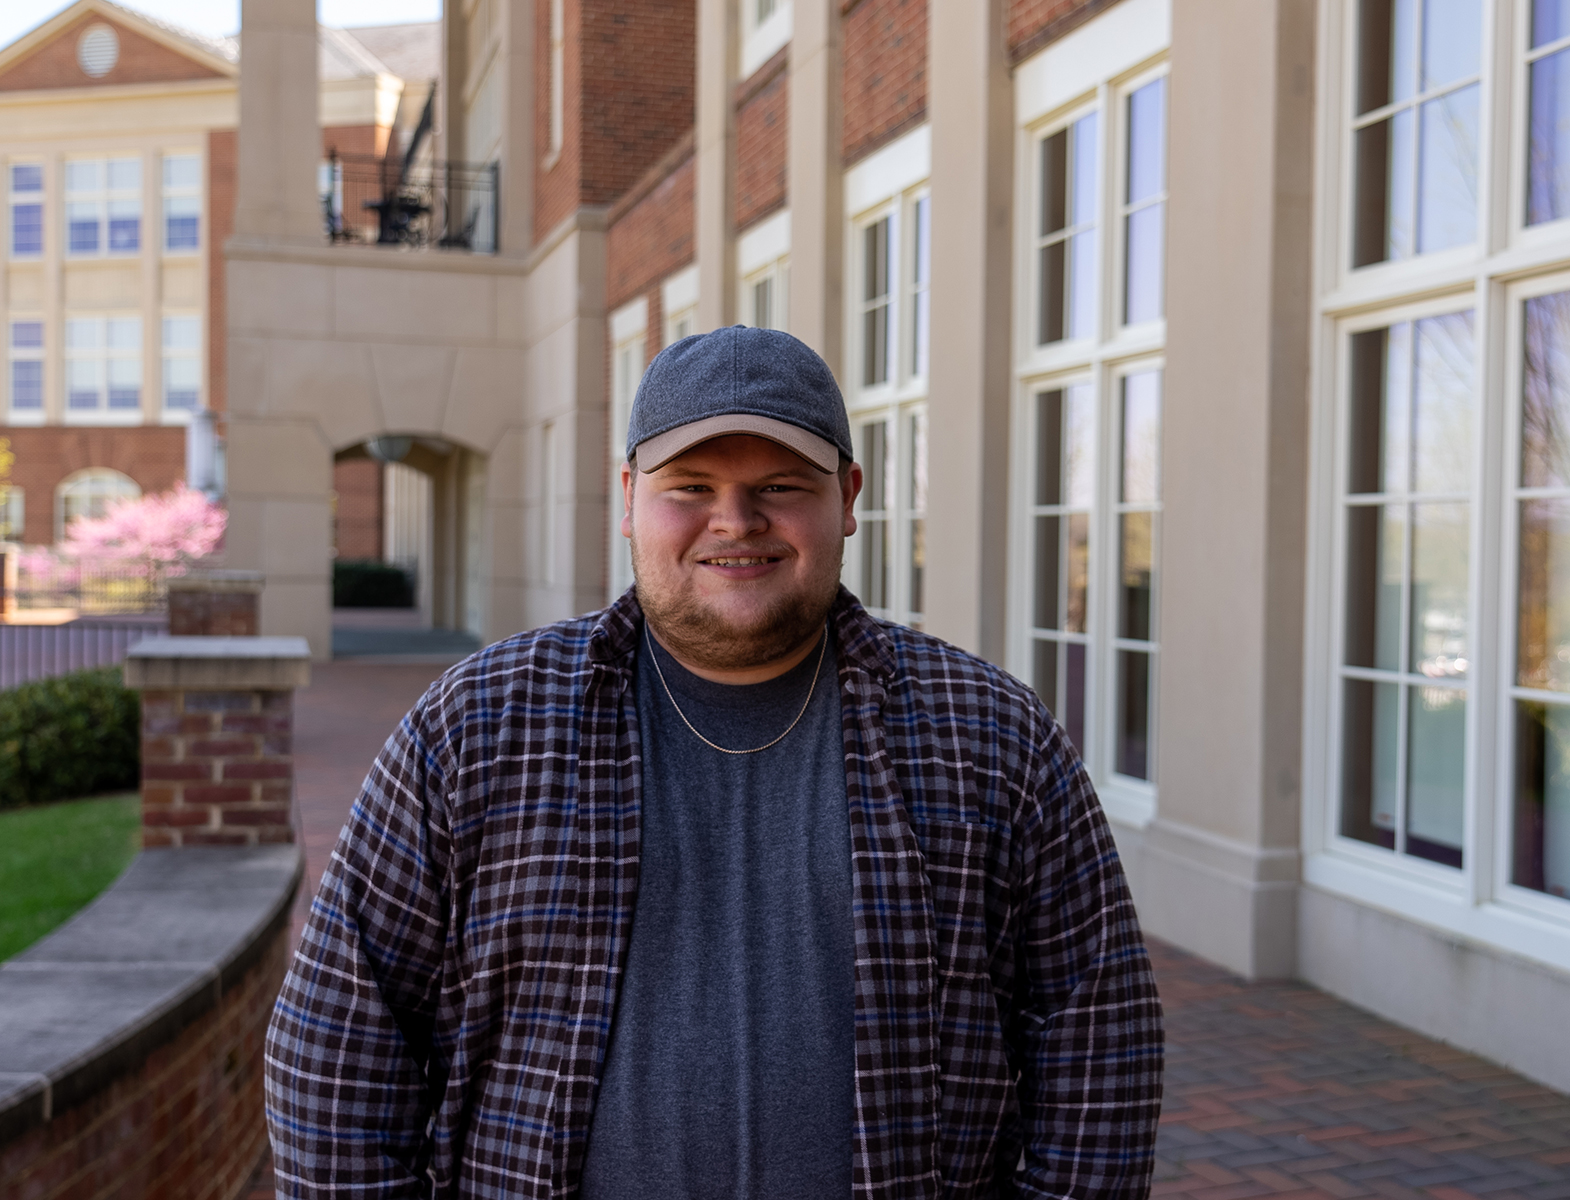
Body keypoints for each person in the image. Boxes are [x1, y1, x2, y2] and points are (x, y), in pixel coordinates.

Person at [265, 325, 1164, 1199]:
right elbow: (340, 1042)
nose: (735, 520)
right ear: (627, 498)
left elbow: (1099, 1035)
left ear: (849, 496)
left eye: (781, 484)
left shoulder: (989, 736)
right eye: (689, 484)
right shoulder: (478, 728)